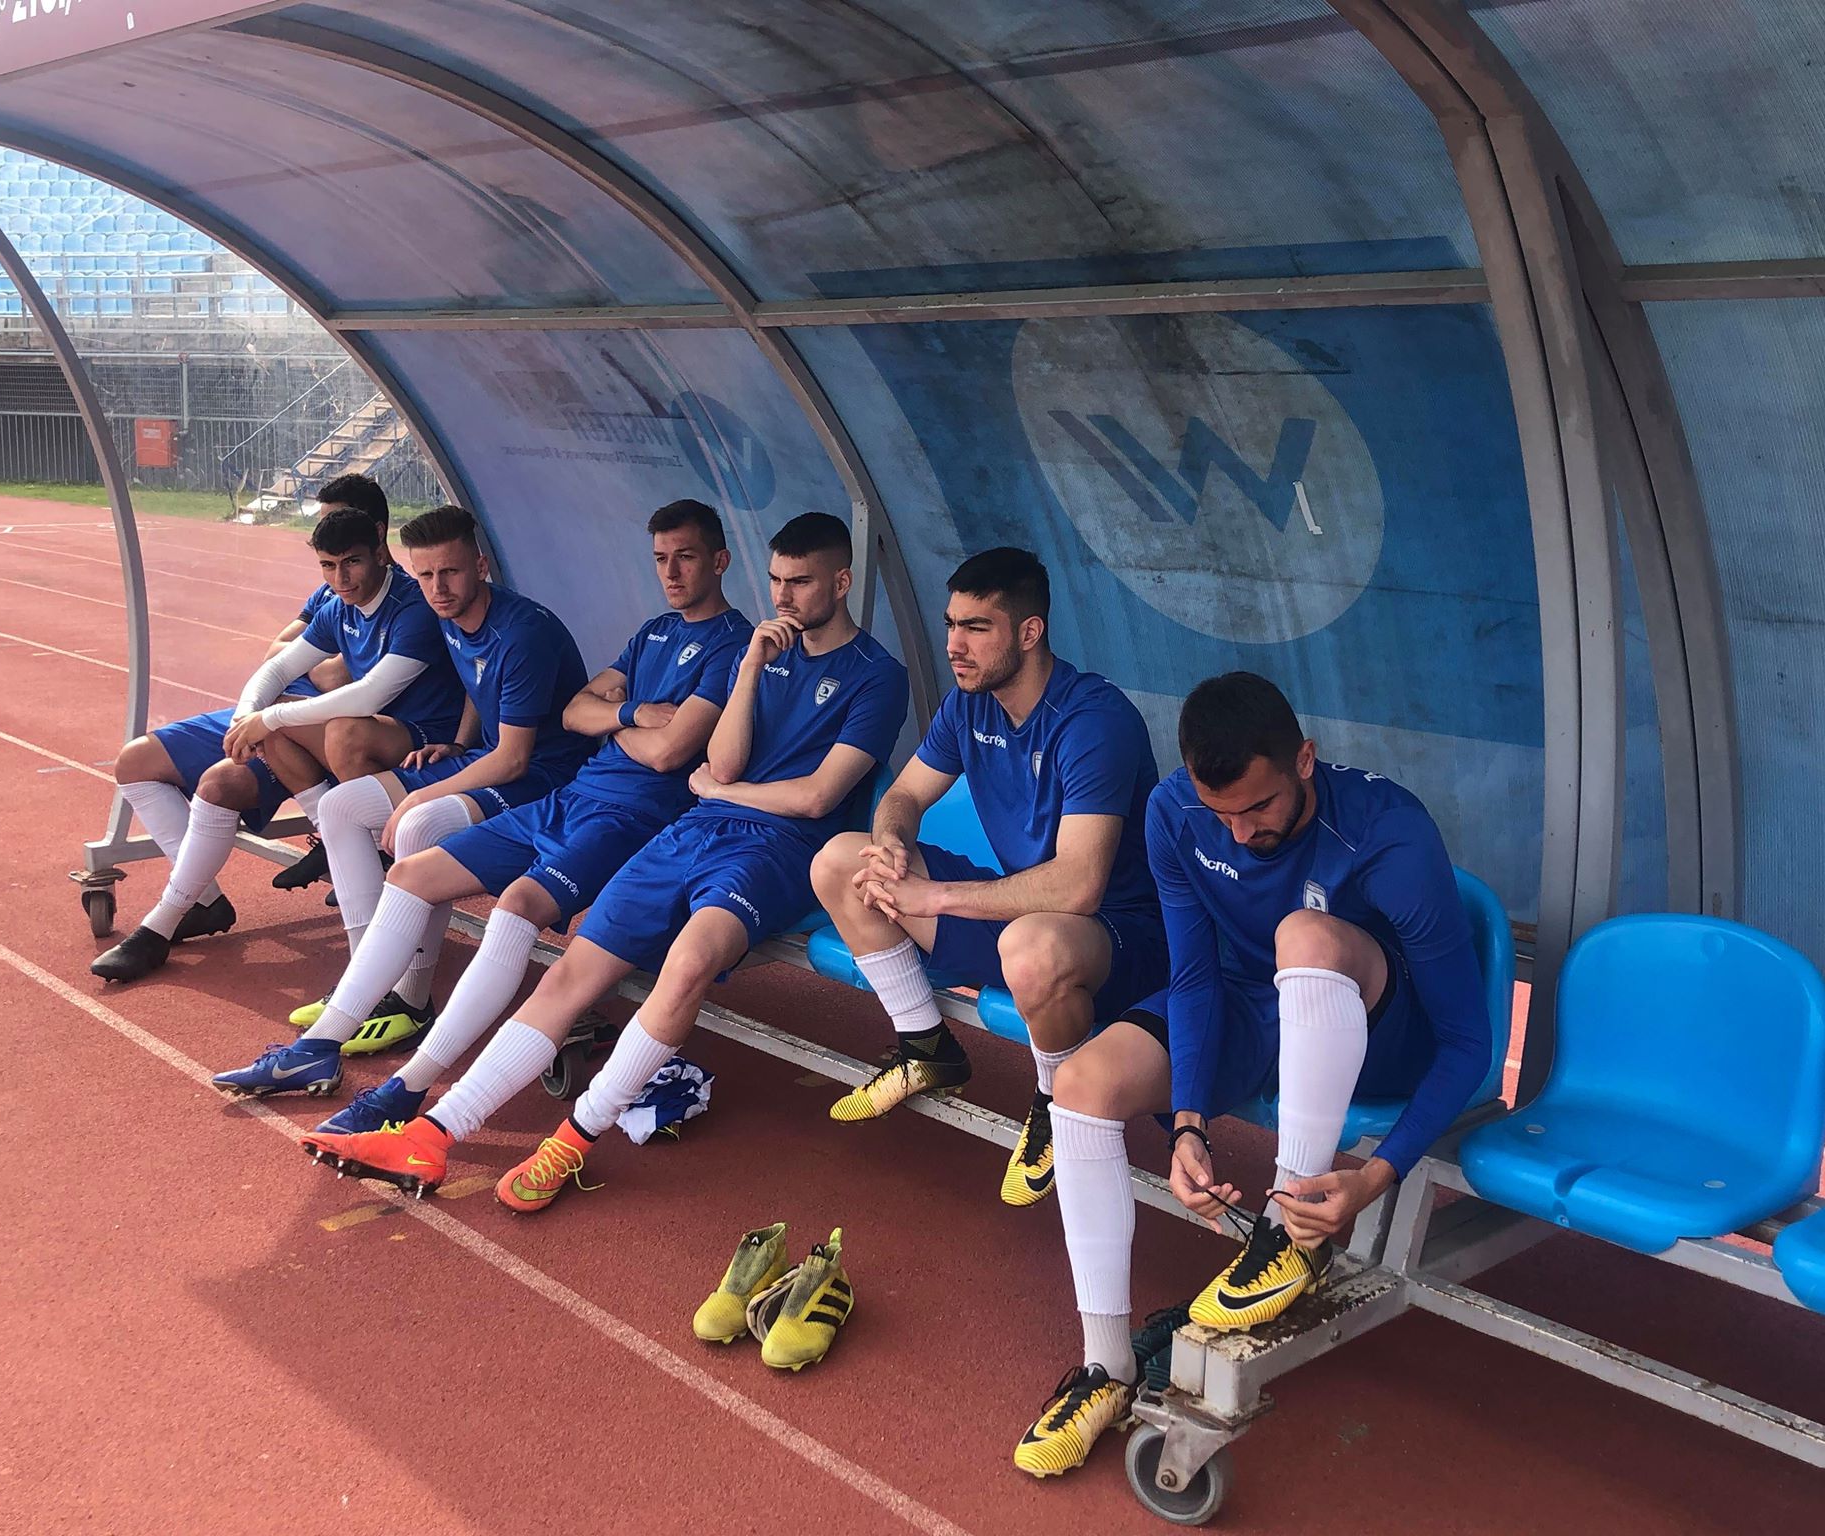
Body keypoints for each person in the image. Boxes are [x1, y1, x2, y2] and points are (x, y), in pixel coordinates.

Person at [299, 512, 908, 1209]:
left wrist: (723, 788)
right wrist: (747, 672)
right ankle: (432, 1132)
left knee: (686, 966)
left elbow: (816, 796)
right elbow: (720, 761)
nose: (784, 598)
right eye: (775, 581)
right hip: (696, 826)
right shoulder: (759, 654)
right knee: (571, 973)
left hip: (777, 849)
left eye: (799, 582)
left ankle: (570, 1142)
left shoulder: (877, 676)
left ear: (841, 581)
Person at [1012, 671, 1492, 1478]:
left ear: (1305, 759)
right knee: (1081, 1087)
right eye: (1221, 814)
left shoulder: (1388, 831)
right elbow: (1195, 978)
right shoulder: (1175, 811)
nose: (1239, 834)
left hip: (1380, 1029)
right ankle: (1106, 1370)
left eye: (1259, 808)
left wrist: (1375, 1176)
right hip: (1249, 1002)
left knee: (1304, 933)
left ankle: (1292, 1229)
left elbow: (1468, 1042)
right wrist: (1188, 1123)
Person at [209, 499, 751, 1106]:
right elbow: (575, 710)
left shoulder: (732, 645)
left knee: (485, 882)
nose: (670, 572)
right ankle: (327, 1040)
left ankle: (413, 1075)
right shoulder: (654, 631)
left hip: (603, 802)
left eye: (685, 557)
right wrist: (630, 714)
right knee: (404, 866)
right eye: (660, 558)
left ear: (720, 561)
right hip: (575, 793)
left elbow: (667, 751)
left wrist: (613, 721)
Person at [810, 547, 1165, 1207]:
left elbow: (1079, 886)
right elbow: (904, 796)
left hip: (1114, 936)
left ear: (1029, 633)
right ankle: (926, 1046)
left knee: (1031, 947)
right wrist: (890, 847)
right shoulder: (968, 705)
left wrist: (934, 895)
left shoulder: (1094, 720)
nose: (954, 645)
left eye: (976, 628)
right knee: (840, 860)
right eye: (951, 624)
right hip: (1020, 923)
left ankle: (1055, 1103)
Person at [90, 502, 463, 982]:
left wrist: (268, 718)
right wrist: (247, 719)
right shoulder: (337, 605)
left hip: (415, 737)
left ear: (379, 552)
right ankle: (172, 917)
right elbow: (278, 666)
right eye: (328, 565)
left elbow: (372, 693)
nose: (341, 577)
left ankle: (356, 849)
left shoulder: (412, 607)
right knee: (259, 733)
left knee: (309, 726)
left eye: (351, 562)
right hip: (346, 730)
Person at [294, 505, 597, 1048]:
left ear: (480, 567)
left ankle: (411, 1001)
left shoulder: (522, 634)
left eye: (450, 572)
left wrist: (420, 796)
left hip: (546, 776)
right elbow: (475, 684)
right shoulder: (448, 614)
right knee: (340, 807)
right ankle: (365, 983)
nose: (437, 587)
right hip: (488, 757)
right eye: (427, 574)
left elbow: (513, 760)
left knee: (420, 824)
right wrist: (459, 741)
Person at [99, 475, 388, 944]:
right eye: (322, 538)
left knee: (218, 784)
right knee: (134, 763)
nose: (326, 542)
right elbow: (276, 654)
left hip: (310, 729)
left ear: (375, 535)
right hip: (270, 711)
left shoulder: (395, 599)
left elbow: (347, 681)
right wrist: (266, 703)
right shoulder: (329, 594)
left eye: (338, 529)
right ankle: (202, 901)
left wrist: (297, 684)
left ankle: (170, 916)